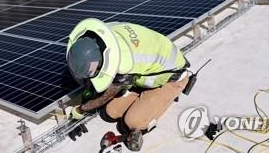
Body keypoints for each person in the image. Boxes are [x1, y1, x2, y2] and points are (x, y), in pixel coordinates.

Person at [66, 18, 190, 151]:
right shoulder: (103, 32)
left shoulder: (125, 63)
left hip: (172, 77)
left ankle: (169, 95)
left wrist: (80, 110)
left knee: (132, 122)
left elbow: (106, 96)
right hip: (145, 73)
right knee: (110, 112)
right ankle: (142, 98)